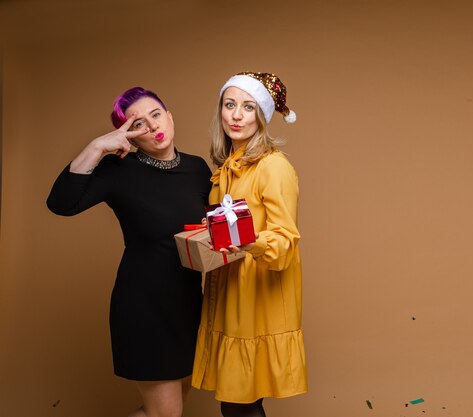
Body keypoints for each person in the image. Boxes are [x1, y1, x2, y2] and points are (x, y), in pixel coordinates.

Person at [46, 87, 212, 417]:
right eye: (137, 124)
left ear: (170, 116)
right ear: (129, 137)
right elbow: (60, 204)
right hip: (144, 307)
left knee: (171, 403)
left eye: (155, 114)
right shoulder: (120, 170)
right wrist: (97, 147)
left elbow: (211, 227)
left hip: (190, 304)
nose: (151, 126)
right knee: (167, 414)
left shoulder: (198, 169)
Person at [192, 72, 307, 417]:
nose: (236, 115)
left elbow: (285, 240)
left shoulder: (273, 167)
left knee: (241, 403)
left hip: (257, 296)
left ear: (262, 115)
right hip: (230, 290)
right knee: (235, 403)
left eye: (247, 107)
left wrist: (248, 240)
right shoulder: (227, 168)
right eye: (229, 105)